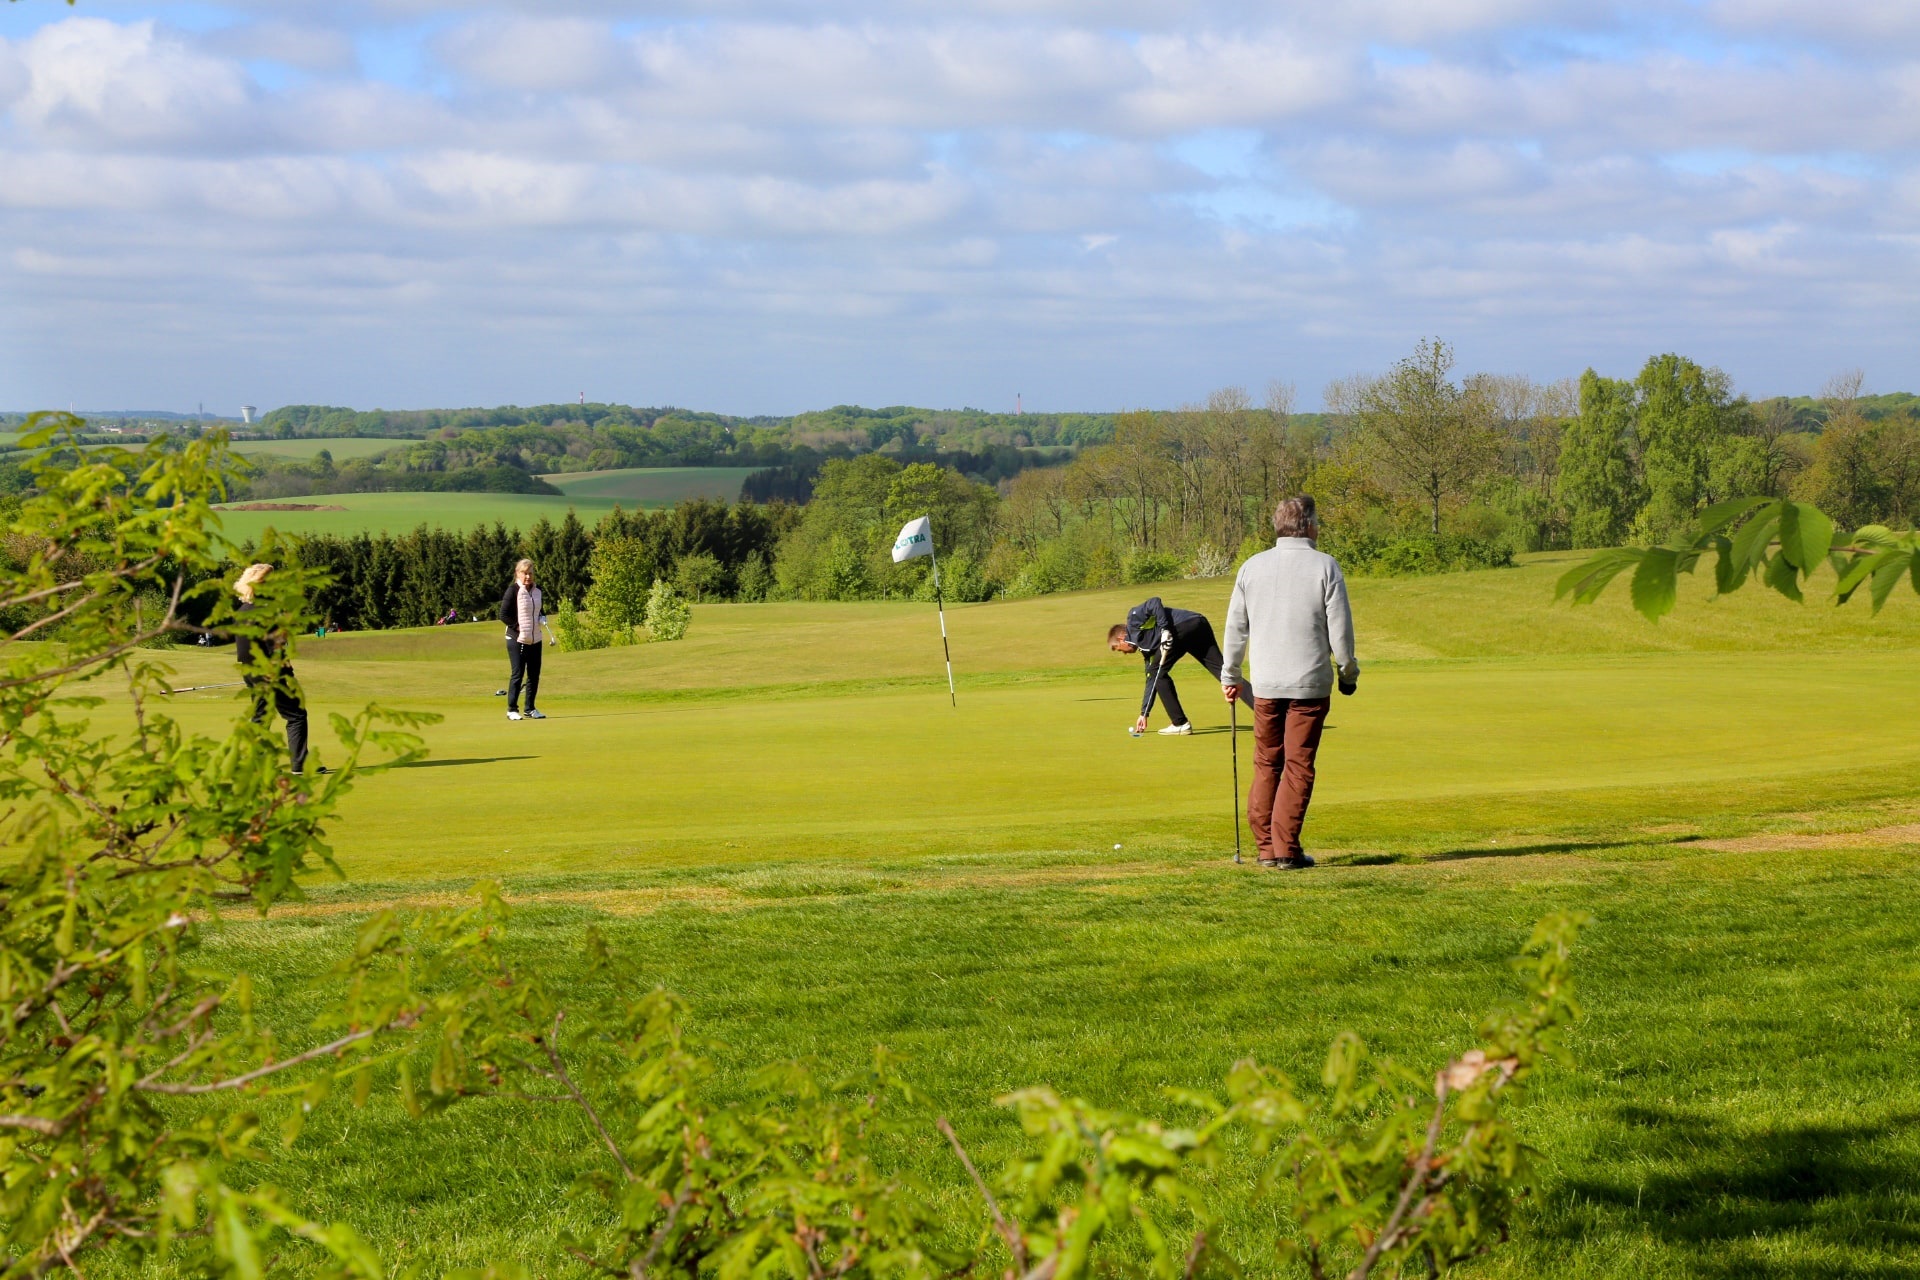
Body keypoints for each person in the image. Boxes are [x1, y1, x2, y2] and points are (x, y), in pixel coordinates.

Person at [1220, 496, 1358, 870]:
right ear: (1309, 526)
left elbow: (1235, 628)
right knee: (1298, 765)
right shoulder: (1325, 566)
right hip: (1309, 685)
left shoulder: (1252, 566)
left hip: (1265, 685)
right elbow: (1340, 634)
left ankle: (1266, 849)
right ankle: (1285, 850)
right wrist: (1348, 674)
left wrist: (1230, 675)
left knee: (1267, 763)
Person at [1108, 597, 1253, 736]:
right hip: (1197, 624)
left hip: (1184, 626)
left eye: (1119, 649)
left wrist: (1165, 630)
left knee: (1156, 671)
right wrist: (1144, 714)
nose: (1124, 653)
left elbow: (1154, 602)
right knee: (1223, 672)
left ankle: (1180, 724)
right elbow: (1151, 681)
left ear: (1121, 639)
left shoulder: (1133, 619)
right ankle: (1267, 712)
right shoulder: (1146, 649)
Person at [232, 562, 313, 774]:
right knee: (296, 715)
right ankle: (300, 765)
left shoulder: (243, 610)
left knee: (261, 717)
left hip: (251, 671)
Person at [498, 558, 547, 721]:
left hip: (535, 638)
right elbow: (503, 614)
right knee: (518, 674)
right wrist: (517, 626)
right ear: (517, 574)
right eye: (524, 573)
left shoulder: (538, 590)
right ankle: (512, 709)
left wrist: (542, 617)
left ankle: (530, 708)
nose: (528, 576)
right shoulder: (512, 590)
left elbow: (538, 608)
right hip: (516, 638)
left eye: (530, 573)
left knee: (534, 675)